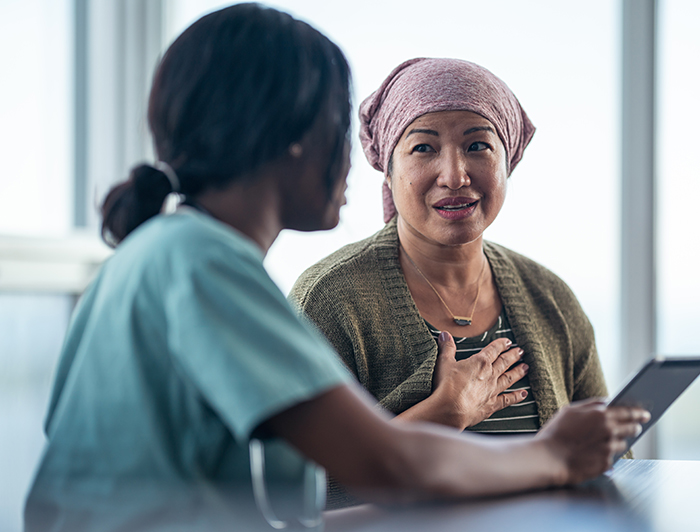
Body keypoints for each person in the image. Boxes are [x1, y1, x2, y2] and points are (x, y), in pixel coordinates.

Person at [25, 7, 648, 532]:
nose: (355, 156)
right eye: (338, 122)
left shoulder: (162, 255)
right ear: (291, 134)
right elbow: (388, 463)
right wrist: (552, 456)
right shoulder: (201, 267)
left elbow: (282, 514)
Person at [289, 58, 617, 505]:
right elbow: (298, 492)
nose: (455, 175)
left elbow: (611, 461)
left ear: (508, 163)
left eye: (478, 146)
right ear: (387, 168)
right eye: (423, 148)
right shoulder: (330, 299)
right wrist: (445, 414)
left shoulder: (550, 297)